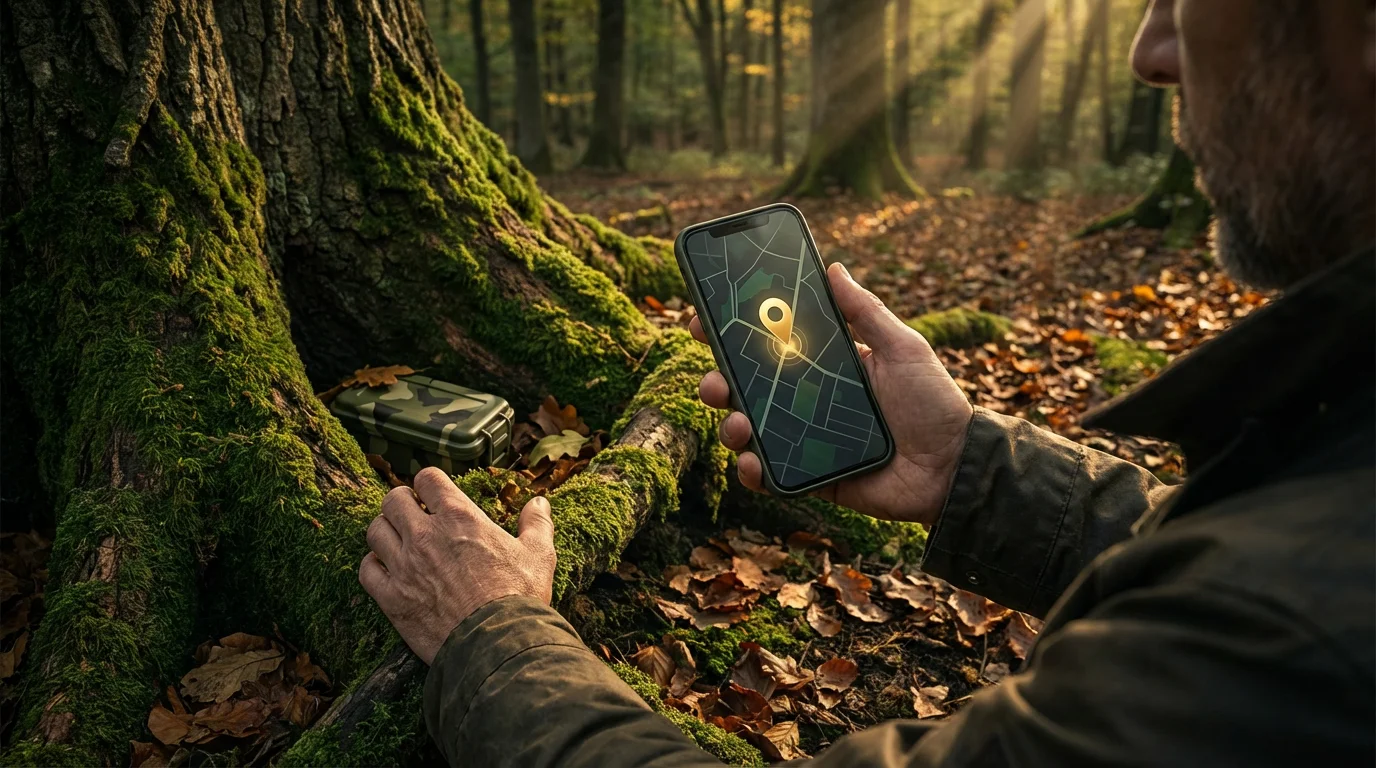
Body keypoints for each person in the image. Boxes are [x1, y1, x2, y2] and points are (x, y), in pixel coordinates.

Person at [357, 0, 1376, 764]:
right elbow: (1257, 561)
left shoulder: (1271, 650)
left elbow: (1256, 608)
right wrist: (968, 467)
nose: (1150, 52)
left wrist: (494, 639)